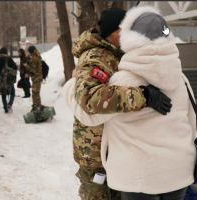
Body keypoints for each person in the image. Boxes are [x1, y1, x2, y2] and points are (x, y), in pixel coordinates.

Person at [61, 7, 172, 200]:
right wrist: (144, 96)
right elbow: (89, 98)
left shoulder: (113, 54)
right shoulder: (97, 56)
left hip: (112, 152)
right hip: (96, 155)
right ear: (117, 31)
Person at [0, 47, 18, 113]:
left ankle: (5, 108)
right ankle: (10, 103)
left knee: (3, 93)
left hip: (2, 81)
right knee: (12, 93)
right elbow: (15, 67)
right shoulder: (9, 59)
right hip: (9, 81)